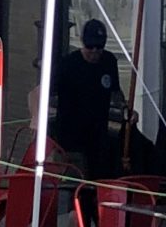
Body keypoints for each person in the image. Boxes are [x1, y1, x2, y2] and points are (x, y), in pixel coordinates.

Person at [49, 19, 126, 188]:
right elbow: (49, 95)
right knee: (75, 186)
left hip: (98, 137)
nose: (95, 52)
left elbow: (115, 92)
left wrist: (125, 108)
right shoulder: (68, 64)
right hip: (71, 139)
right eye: (91, 47)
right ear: (84, 44)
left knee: (99, 185)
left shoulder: (109, 62)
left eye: (99, 48)